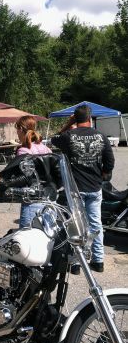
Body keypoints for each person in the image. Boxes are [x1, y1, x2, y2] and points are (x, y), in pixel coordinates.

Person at [51, 105, 115, 273]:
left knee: (75, 225)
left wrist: (67, 124)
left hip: (75, 189)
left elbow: (53, 139)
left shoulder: (68, 136)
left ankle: (76, 264)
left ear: (75, 119)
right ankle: (98, 261)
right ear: (90, 118)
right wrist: (101, 174)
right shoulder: (101, 136)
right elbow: (110, 163)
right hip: (94, 187)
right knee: (95, 223)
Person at [0, 115, 52, 227]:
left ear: (20, 129)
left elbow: (26, 177)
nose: (17, 133)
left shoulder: (24, 150)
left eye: (17, 130)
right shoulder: (46, 148)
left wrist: (2, 183)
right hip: (48, 200)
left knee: (26, 237)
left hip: (31, 200)